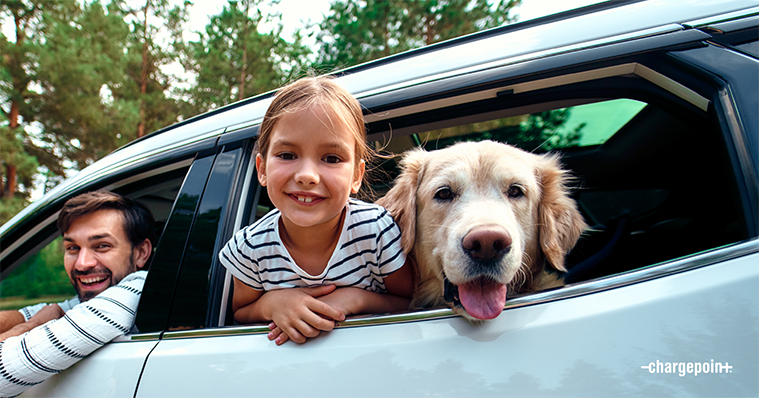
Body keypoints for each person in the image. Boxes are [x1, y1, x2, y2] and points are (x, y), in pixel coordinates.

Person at [219, 76, 414, 346]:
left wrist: (355, 299)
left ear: (356, 176)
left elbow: (414, 303)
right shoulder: (250, 247)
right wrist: (272, 303)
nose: (307, 176)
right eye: (287, 155)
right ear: (262, 169)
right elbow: (240, 314)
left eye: (331, 158)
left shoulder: (376, 231)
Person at [0, 191, 154, 396]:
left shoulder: (134, 291)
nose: (82, 264)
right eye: (72, 247)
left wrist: (33, 325)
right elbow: (35, 313)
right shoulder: (93, 300)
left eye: (102, 246)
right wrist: (35, 318)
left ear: (141, 253)